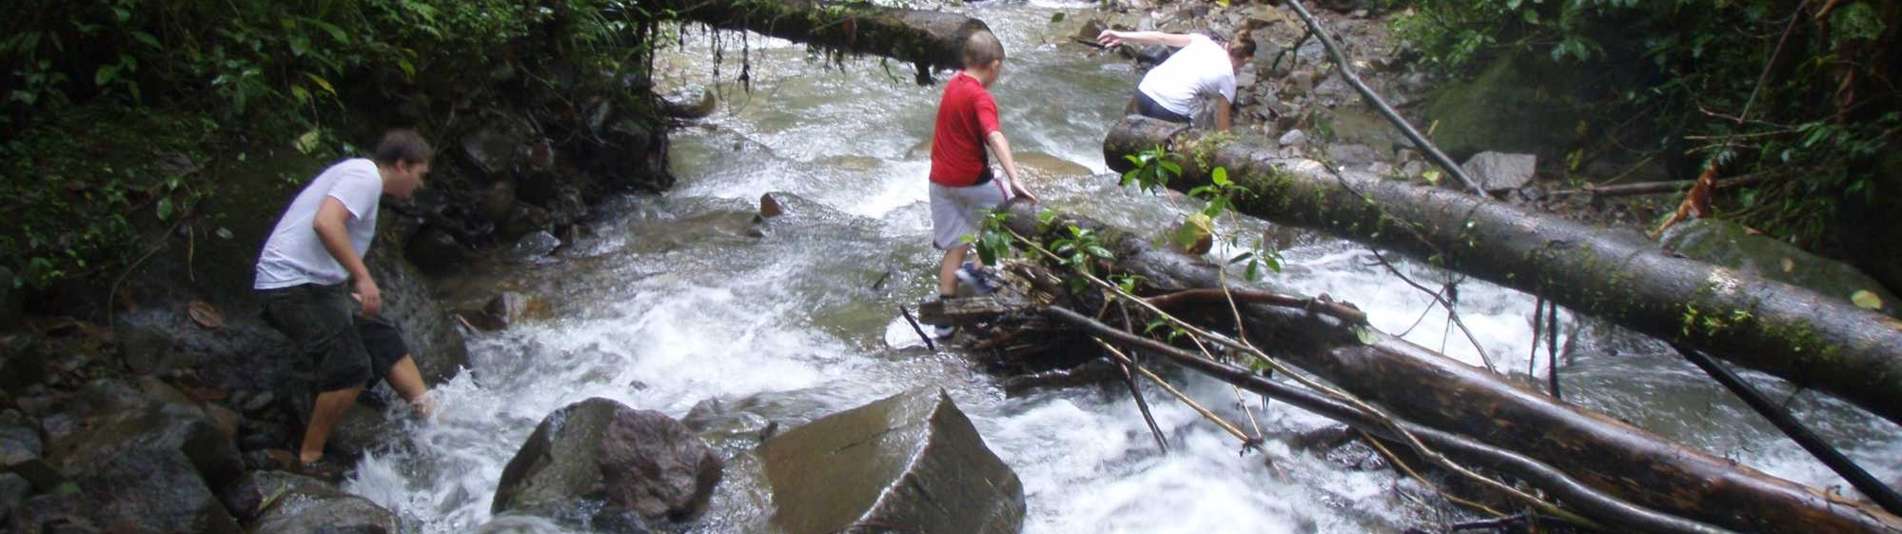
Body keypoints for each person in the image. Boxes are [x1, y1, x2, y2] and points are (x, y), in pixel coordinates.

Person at [253, 129, 437, 475]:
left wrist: (343, 282)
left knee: (380, 334)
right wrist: (363, 277)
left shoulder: (362, 178)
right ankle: (309, 457)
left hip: (315, 285)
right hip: (290, 287)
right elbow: (326, 222)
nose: (420, 185)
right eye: (419, 175)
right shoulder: (364, 176)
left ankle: (433, 417)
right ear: (401, 165)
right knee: (351, 367)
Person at [928, 29, 1038, 336]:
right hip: (973, 181)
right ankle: (976, 270)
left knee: (956, 244)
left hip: (939, 182)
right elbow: (994, 136)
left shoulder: (952, 84)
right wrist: (1015, 178)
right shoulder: (981, 97)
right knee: (1012, 220)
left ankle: (944, 319)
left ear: (966, 60)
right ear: (995, 65)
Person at [1097, 28, 1255, 131]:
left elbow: (1161, 38)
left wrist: (1120, 35)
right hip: (1171, 110)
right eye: (1241, 65)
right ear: (1247, 60)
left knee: (1126, 138)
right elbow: (1223, 128)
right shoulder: (1228, 79)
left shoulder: (1201, 40)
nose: (1239, 69)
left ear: (1226, 45)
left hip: (1144, 92)